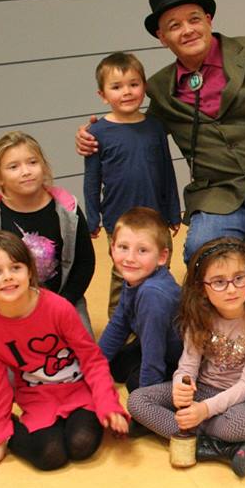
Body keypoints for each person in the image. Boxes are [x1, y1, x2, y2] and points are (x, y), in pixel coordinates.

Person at [76, 0, 245, 292]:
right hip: (219, 196)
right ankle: (238, 320)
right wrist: (96, 133)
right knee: (203, 256)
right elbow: (139, 129)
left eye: (194, 19)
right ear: (162, 37)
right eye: (174, 26)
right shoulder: (160, 88)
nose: (187, 30)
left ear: (209, 20)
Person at [0, 231, 128, 472]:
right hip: (37, 398)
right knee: (51, 456)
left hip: (79, 391)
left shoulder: (58, 308)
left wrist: (108, 404)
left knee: (81, 444)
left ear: (30, 271)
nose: (8, 277)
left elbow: (92, 360)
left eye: (15, 268)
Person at [127, 238, 245, 477]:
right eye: (219, 282)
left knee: (243, 425)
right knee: (137, 400)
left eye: (239, 278)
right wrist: (181, 385)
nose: (231, 289)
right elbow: (187, 366)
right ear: (202, 288)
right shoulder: (199, 316)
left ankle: (186, 437)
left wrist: (204, 410)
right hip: (202, 389)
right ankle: (220, 449)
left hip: (236, 399)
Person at [84, 52, 181, 317]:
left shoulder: (155, 127)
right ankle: (122, 328)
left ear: (144, 87)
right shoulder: (96, 133)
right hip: (118, 218)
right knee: (123, 274)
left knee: (159, 270)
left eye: (133, 84)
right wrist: (92, 218)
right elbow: (92, 180)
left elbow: (167, 171)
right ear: (103, 95)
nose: (126, 92)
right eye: (116, 87)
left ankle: (160, 320)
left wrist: (173, 212)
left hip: (156, 217)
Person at [0, 131, 96, 335]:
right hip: (9, 305)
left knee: (85, 350)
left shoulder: (68, 210)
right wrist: (9, 308)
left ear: (44, 166)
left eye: (32, 162)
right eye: (14, 167)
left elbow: (85, 262)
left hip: (64, 299)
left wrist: (63, 303)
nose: (26, 171)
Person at [98, 207, 183, 393]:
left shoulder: (152, 295)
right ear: (112, 248)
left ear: (162, 257)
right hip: (154, 339)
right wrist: (91, 367)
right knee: (114, 363)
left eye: (142, 250)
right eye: (123, 247)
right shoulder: (135, 277)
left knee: (136, 385)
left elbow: (154, 354)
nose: (130, 258)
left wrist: (146, 399)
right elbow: (119, 324)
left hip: (180, 359)